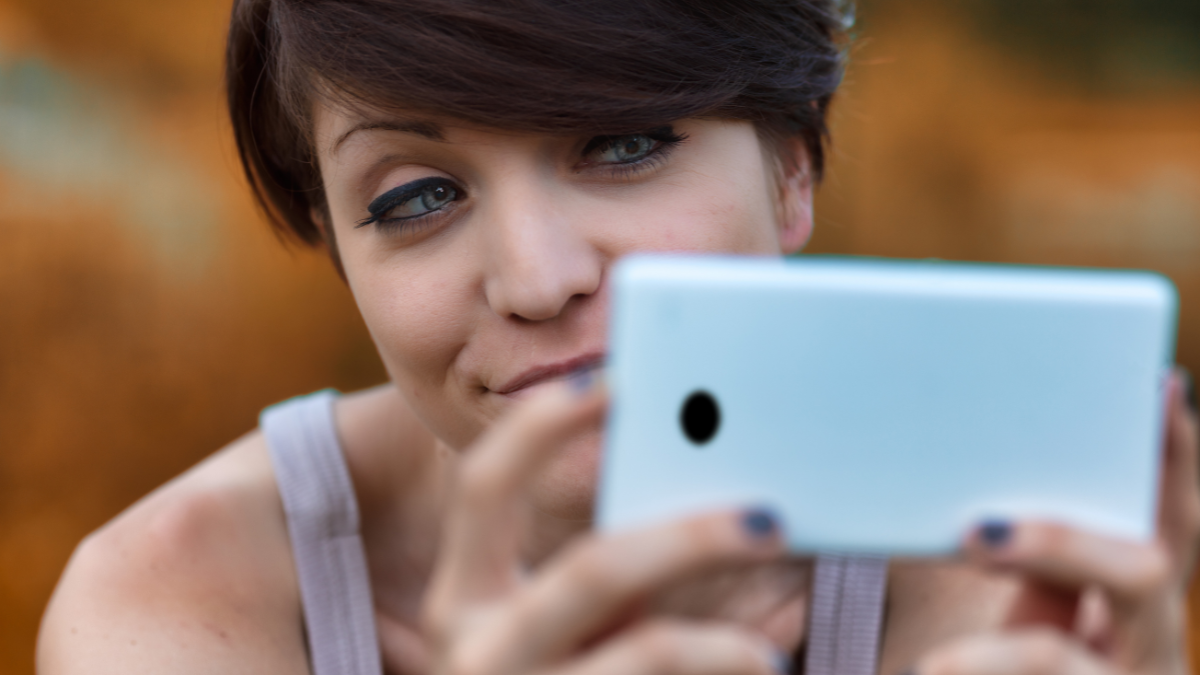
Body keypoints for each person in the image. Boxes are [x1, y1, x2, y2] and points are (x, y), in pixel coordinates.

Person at [37, 0, 1200, 674]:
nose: (539, 280)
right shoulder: (175, 610)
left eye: (627, 144)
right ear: (342, 258)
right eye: (415, 199)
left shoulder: (1001, 582)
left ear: (792, 170)